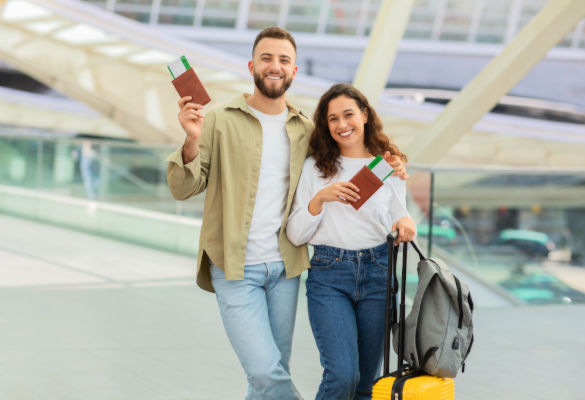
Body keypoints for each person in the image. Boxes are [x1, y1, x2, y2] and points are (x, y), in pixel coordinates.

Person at [166, 27, 408, 399]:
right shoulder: (218, 120)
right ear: (252, 66)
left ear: (294, 71)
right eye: (266, 58)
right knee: (267, 373)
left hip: (286, 268)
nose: (275, 66)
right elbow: (183, 188)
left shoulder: (306, 130)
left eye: (284, 60)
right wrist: (192, 138)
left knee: (267, 375)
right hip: (234, 266)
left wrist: (392, 167)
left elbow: (349, 158)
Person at [286, 83, 416, 400]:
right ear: (325, 125)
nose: (342, 125)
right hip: (329, 274)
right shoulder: (314, 168)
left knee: (366, 386)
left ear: (365, 115)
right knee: (342, 376)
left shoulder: (387, 166)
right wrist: (320, 199)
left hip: (378, 272)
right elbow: (295, 234)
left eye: (349, 115)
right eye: (333, 119)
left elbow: (401, 216)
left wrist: (406, 221)